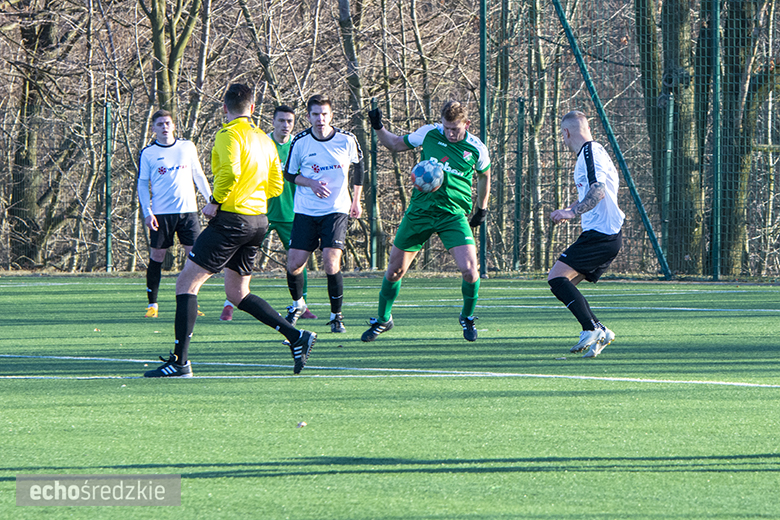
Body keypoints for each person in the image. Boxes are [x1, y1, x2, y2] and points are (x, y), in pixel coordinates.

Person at [144, 83, 316, 377]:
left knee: (186, 284)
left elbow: (232, 172)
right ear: (252, 108)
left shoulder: (227, 134)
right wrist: (254, 194)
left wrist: (215, 201)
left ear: (225, 109)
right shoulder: (264, 139)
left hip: (232, 220)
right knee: (238, 293)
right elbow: (276, 184)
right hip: (258, 221)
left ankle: (180, 362)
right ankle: (297, 336)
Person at [362, 101, 491, 342]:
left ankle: (467, 317)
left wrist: (481, 209)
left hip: (452, 215)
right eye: (446, 128)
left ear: (467, 124)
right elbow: (395, 143)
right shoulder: (430, 133)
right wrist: (378, 126)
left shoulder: (476, 148)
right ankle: (383, 319)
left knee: (471, 272)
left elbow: (485, 175)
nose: (450, 133)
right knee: (394, 271)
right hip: (420, 212)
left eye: (455, 129)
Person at [219, 105, 317, 322]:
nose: (285, 125)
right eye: (281, 120)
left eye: (289, 121)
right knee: (241, 256)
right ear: (273, 122)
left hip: (291, 214)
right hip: (259, 212)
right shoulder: (262, 142)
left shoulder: (298, 146)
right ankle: (229, 303)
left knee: (298, 261)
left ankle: (301, 303)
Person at [282, 94, 364, 334]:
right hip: (306, 211)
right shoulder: (300, 142)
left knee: (331, 262)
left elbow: (359, 168)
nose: (320, 119)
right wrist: (310, 183)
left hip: (336, 210)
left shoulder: (346, 140)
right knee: (294, 264)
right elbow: (289, 174)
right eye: (315, 114)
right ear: (308, 117)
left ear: (331, 115)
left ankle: (336, 315)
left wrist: (356, 201)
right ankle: (298, 305)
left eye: (324, 114)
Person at [547, 110, 624, 358]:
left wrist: (573, 213)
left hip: (601, 235)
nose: (563, 140)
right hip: (605, 235)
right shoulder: (592, 152)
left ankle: (590, 328)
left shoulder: (589, 153)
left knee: (556, 278)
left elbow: (598, 189)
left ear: (567, 132)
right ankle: (600, 329)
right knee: (564, 283)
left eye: (562, 135)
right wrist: (571, 208)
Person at [137, 110, 211, 318]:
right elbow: (143, 183)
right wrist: (147, 211)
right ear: (153, 128)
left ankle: (191, 302)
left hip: (188, 212)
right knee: (157, 257)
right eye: (160, 124)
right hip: (161, 214)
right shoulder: (149, 153)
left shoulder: (187, 147)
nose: (164, 127)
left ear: (174, 125)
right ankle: (152, 305)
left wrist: (211, 201)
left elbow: (198, 174)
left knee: (195, 258)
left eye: (167, 123)